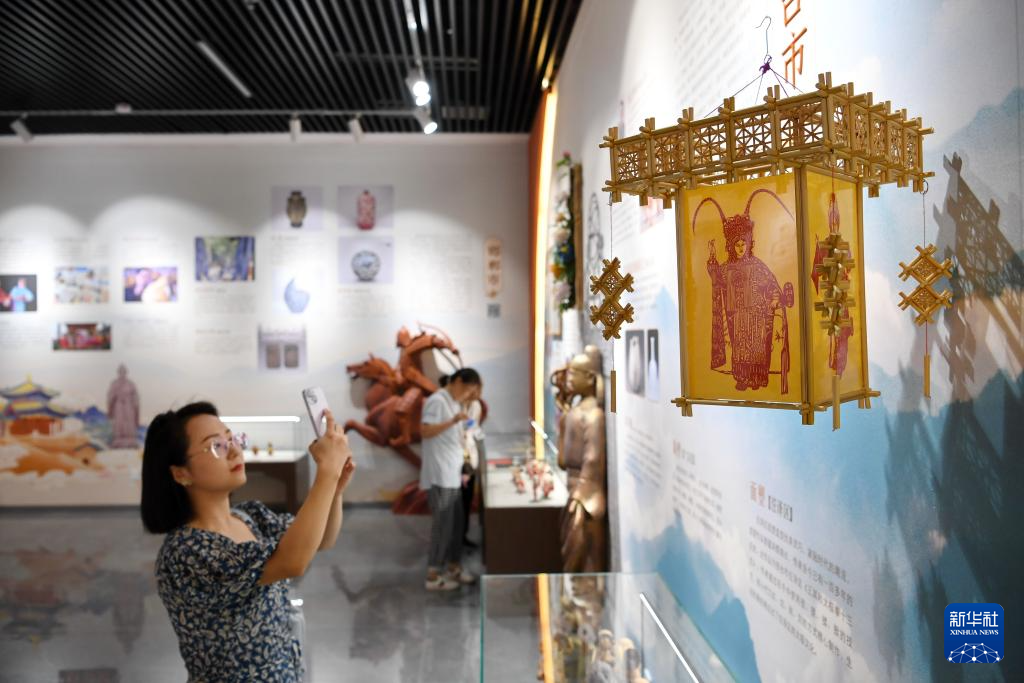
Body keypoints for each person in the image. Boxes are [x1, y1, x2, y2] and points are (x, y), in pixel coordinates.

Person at [141, 401, 355, 683]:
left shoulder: (250, 516)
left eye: (232, 438)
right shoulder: (186, 552)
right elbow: (293, 562)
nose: (234, 450)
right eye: (216, 445)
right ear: (181, 473)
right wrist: (327, 472)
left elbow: (320, 540)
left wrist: (335, 488)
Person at [420, 367, 482, 590]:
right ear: (457, 382)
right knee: (443, 526)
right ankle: (433, 575)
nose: (467, 396)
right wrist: (453, 421)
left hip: (452, 473)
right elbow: (425, 431)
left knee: (457, 524)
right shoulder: (437, 401)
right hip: (440, 475)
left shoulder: (454, 402)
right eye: (467, 391)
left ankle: (453, 566)